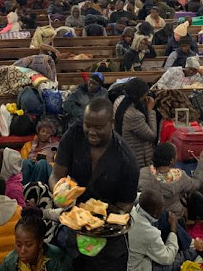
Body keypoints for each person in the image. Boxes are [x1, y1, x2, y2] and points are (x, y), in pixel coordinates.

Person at [50, 97, 139, 269]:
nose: (91, 131)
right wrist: (59, 191)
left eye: (98, 127)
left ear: (111, 123)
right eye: (88, 125)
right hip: (75, 230)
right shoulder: (74, 136)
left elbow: (125, 206)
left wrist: (99, 227)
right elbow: (56, 174)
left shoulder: (126, 160)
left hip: (109, 243)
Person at [138, 142, 203, 219]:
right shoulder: (179, 176)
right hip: (174, 218)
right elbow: (196, 184)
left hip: (148, 217)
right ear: (171, 160)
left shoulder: (143, 173)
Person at [0, 206, 72, 271]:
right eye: (18, 245)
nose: (22, 251)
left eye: (28, 245)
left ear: (40, 242)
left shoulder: (58, 261)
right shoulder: (9, 263)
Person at [128, 189, 179, 271]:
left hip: (128, 255)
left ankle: (188, 242)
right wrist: (173, 230)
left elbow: (142, 196)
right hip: (137, 267)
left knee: (166, 216)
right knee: (182, 257)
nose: (162, 210)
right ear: (155, 212)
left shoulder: (130, 210)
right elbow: (168, 259)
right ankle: (191, 247)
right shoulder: (149, 233)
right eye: (161, 209)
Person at [115, 78, 157, 168]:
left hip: (123, 150)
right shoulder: (134, 115)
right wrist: (150, 110)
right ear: (140, 96)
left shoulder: (119, 100)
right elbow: (152, 135)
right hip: (137, 158)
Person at [21, 119, 59, 185]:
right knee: (26, 162)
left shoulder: (55, 146)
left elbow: (58, 165)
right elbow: (21, 161)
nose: (44, 134)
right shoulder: (28, 145)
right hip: (31, 168)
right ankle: (25, 187)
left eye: (48, 133)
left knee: (42, 163)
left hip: (46, 170)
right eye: (42, 131)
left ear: (51, 135)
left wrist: (48, 162)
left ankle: (36, 187)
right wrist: (32, 161)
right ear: (38, 132)